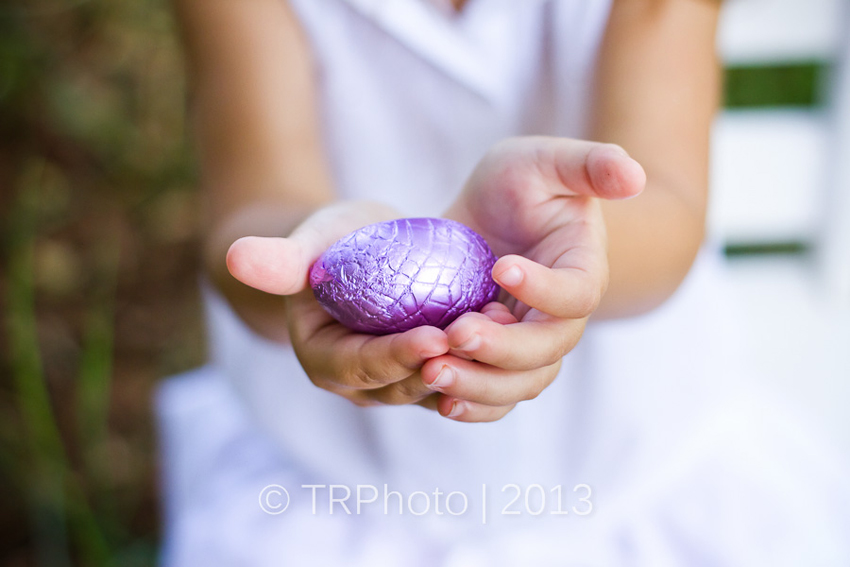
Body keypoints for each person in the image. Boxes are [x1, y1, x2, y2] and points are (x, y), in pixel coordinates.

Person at [157, 0, 850, 564]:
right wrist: (305, 258)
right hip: (339, 480)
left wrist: (579, 249)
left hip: (635, 463)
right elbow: (252, 206)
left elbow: (666, 207)